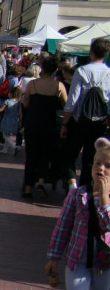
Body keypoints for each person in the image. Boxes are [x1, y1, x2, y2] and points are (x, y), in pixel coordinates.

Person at [45, 136, 110, 290]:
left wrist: (104, 202)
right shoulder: (77, 196)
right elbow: (63, 228)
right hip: (77, 260)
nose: (101, 169)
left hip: (104, 263)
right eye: (96, 164)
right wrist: (54, 257)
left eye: (107, 165)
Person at [61, 38, 110, 188]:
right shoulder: (108, 73)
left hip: (79, 120)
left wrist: (65, 122)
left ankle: (72, 184)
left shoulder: (82, 71)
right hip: (100, 121)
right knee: (91, 157)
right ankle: (85, 189)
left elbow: (73, 100)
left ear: (91, 52)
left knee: (69, 153)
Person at [21, 55, 68, 198]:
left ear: (42, 68)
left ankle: (28, 187)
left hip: (32, 123)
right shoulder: (58, 86)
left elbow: (26, 104)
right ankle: (41, 182)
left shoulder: (32, 84)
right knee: (45, 154)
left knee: (31, 155)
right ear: (55, 70)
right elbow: (66, 106)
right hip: (49, 124)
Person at [0, 86, 22, 155]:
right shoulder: (18, 103)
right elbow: (20, 112)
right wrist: (20, 120)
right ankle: (5, 149)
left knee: (5, 135)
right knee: (8, 135)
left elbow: (1, 109)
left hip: (7, 119)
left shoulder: (7, 101)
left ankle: (14, 146)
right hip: (14, 119)